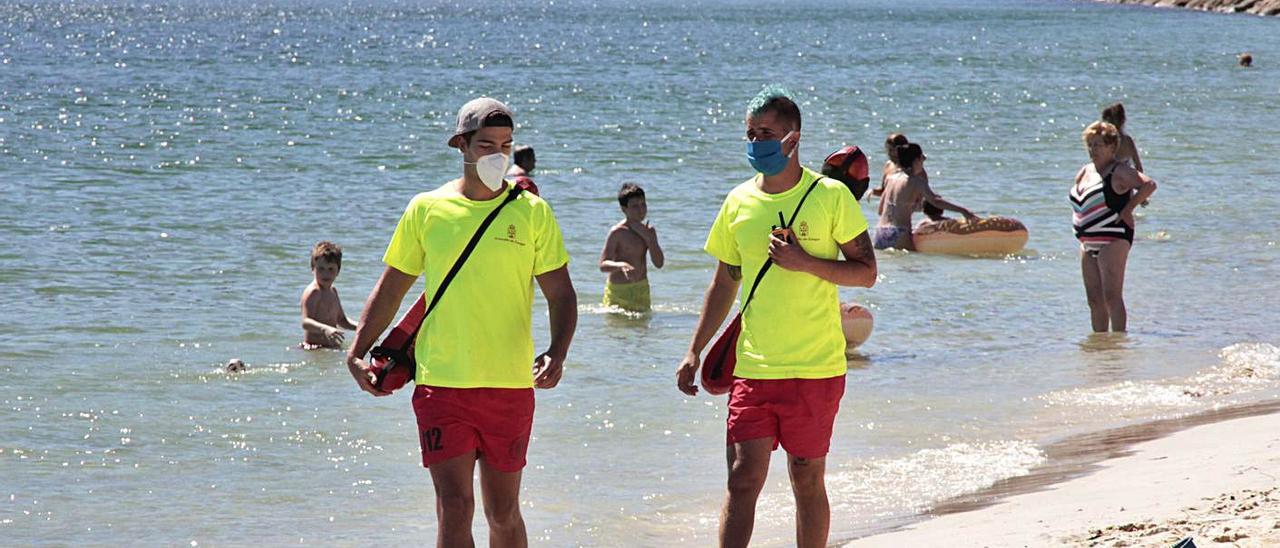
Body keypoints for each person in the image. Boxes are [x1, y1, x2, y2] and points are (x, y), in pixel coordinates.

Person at [344, 97, 578, 546]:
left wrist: (557, 351)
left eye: (506, 145)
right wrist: (356, 352)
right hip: (441, 384)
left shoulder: (532, 213)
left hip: (508, 385)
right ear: (461, 145)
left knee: (502, 513)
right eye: (487, 144)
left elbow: (561, 293)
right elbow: (391, 288)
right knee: (454, 509)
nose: (498, 155)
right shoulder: (426, 209)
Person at [675, 86, 877, 548]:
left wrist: (806, 262)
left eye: (766, 132)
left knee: (806, 477)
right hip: (754, 368)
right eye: (750, 133)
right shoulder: (738, 202)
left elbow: (867, 272)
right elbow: (724, 283)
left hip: (816, 367)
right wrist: (693, 349)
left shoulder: (831, 197)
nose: (755, 141)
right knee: (742, 479)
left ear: (793, 137)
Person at [1070, 121, 1158, 332]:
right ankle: (1101, 349)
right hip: (1087, 243)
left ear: (1111, 147)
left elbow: (1148, 185)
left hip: (1113, 238)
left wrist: (1128, 210)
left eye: (1098, 145)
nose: (1093, 149)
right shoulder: (1085, 171)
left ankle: (1119, 345)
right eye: (1090, 144)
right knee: (1094, 299)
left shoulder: (1119, 170)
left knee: (1111, 296)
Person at [873, 143, 979, 250]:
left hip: (880, 232)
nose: (923, 162)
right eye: (922, 159)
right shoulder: (917, 181)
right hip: (900, 232)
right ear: (916, 160)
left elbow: (881, 210)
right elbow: (936, 201)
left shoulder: (891, 178)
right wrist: (963, 211)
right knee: (914, 265)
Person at [599, 182, 664, 313]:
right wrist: (621, 265)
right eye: (635, 206)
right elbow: (602, 265)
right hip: (618, 291)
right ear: (624, 209)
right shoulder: (617, 232)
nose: (641, 209)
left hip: (641, 288)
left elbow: (659, 263)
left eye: (643, 204)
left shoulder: (649, 231)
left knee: (642, 330)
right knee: (618, 329)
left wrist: (650, 239)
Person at [300, 241, 358, 349]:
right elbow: (305, 322)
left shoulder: (333, 291)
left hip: (330, 348)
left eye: (331, 269)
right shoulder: (313, 292)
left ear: (338, 271)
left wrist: (361, 328)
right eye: (321, 269)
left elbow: (342, 320)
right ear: (313, 268)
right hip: (314, 348)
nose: (325, 274)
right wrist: (326, 329)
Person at [1101, 103, 1144, 173]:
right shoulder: (1128, 141)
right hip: (1126, 179)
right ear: (1123, 120)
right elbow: (1139, 168)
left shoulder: (1105, 141)